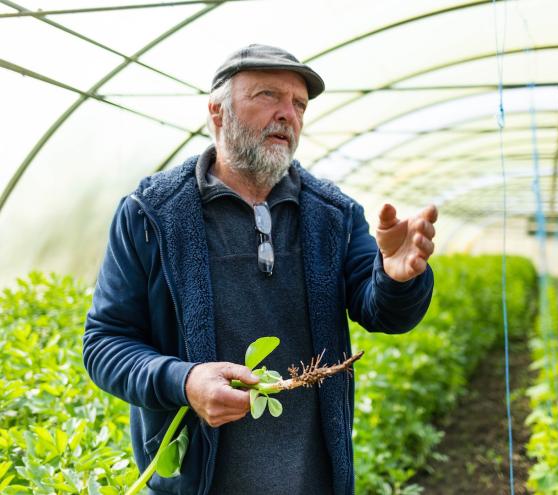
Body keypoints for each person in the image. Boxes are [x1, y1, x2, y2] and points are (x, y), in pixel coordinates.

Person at [83, 44, 437, 495]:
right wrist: (184, 380)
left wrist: (396, 277)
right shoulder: (151, 214)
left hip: (314, 482)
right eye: (268, 96)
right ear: (217, 113)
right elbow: (104, 343)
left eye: (299, 104)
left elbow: (383, 313)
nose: (288, 114)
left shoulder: (333, 213)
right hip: (198, 484)